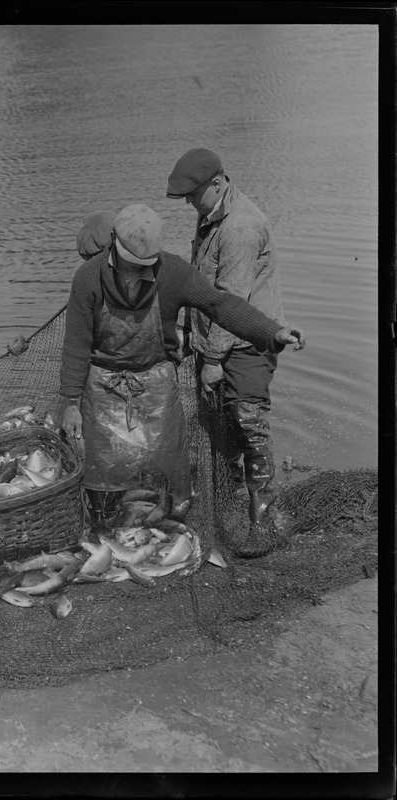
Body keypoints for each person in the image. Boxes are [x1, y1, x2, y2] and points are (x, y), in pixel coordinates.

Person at [58, 204, 305, 548]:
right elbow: (75, 346)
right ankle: (106, 528)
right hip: (103, 384)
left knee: (169, 475)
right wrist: (71, 402)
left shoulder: (173, 271)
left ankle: (169, 527)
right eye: (129, 262)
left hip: (157, 381)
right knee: (103, 475)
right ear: (113, 242)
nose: (134, 272)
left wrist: (271, 331)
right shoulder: (88, 278)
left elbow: (222, 305)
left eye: (143, 266)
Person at [166, 148, 289, 551]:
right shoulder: (210, 215)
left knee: (249, 422)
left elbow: (231, 302)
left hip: (246, 342)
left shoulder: (239, 228)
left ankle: (263, 517)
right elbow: (199, 285)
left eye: (193, 194)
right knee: (219, 425)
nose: (188, 202)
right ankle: (230, 498)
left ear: (217, 184)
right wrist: (188, 337)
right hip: (214, 338)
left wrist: (214, 360)